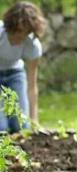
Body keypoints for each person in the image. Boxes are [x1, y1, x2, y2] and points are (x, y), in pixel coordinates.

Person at [0, 2, 46, 133]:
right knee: (1, 128)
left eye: (26, 32)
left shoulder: (33, 45)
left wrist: (34, 121)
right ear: (10, 26)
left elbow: (32, 86)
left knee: (21, 126)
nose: (21, 36)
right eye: (19, 31)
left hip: (15, 74)